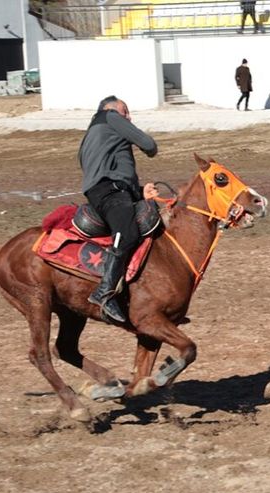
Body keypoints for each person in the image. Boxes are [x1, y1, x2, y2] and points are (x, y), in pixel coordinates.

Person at [78, 95, 158, 324]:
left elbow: (108, 169)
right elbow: (149, 145)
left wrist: (138, 191)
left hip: (108, 192)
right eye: (126, 111)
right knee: (127, 234)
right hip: (111, 192)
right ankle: (104, 292)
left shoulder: (91, 138)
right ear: (110, 109)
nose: (128, 117)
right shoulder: (110, 117)